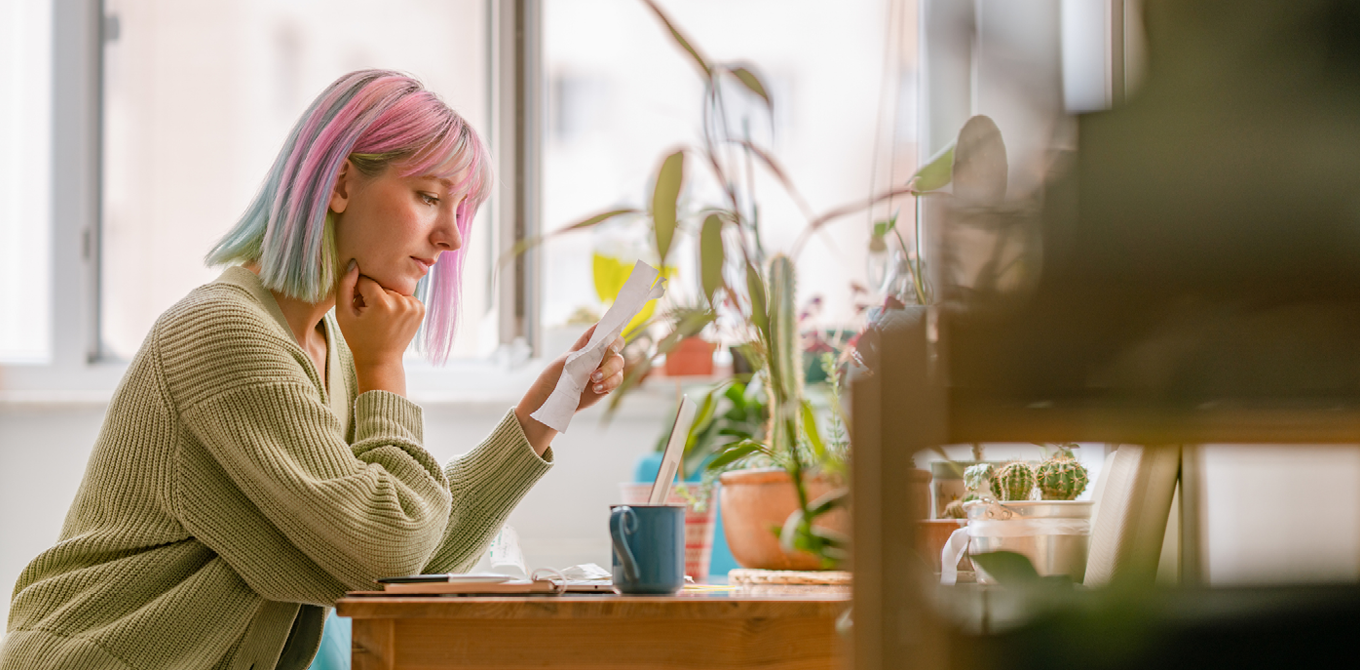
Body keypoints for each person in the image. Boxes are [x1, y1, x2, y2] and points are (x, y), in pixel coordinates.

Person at [0, 69, 625, 670]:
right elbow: (389, 550)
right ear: (341, 184)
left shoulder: (328, 345)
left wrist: (542, 417)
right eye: (430, 197)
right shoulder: (229, 335)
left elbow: (413, 546)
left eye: (458, 211)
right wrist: (386, 368)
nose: (452, 239)